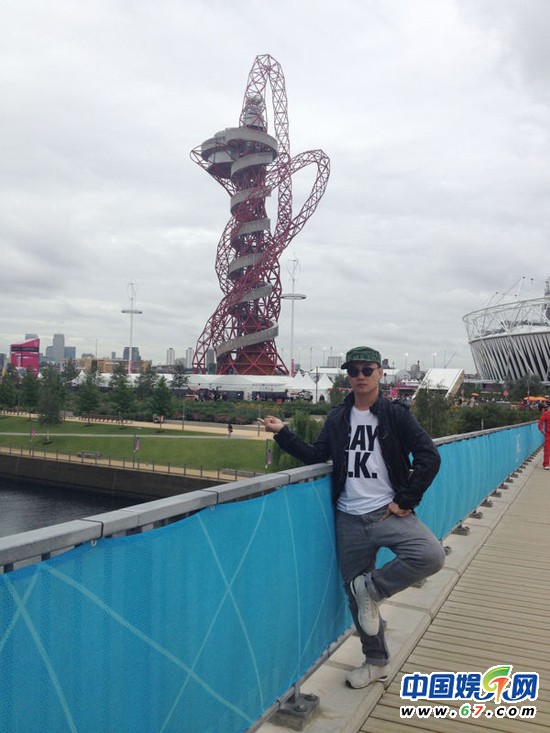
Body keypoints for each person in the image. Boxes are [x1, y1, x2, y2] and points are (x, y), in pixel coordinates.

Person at [260, 346, 445, 689]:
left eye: (367, 370)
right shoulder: (337, 418)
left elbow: (429, 456)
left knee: (430, 555)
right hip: (349, 517)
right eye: (353, 371)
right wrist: (283, 432)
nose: (360, 376)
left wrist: (406, 499)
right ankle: (376, 662)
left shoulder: (395, 415)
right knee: (353, 598)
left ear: (380, 373)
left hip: (387, 512)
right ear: (347, 376)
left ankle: (371, 589)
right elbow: (317, 456)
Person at [538, 404, 550, 469]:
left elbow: (540, 423)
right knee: (547, 450)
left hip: (548, 434)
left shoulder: (546, 414)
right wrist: (541, 429)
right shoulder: (546, 413)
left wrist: (541, 429)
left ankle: (546, 464)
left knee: (547, 450)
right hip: (548, 434)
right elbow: (540, 423)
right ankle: (546, 464)